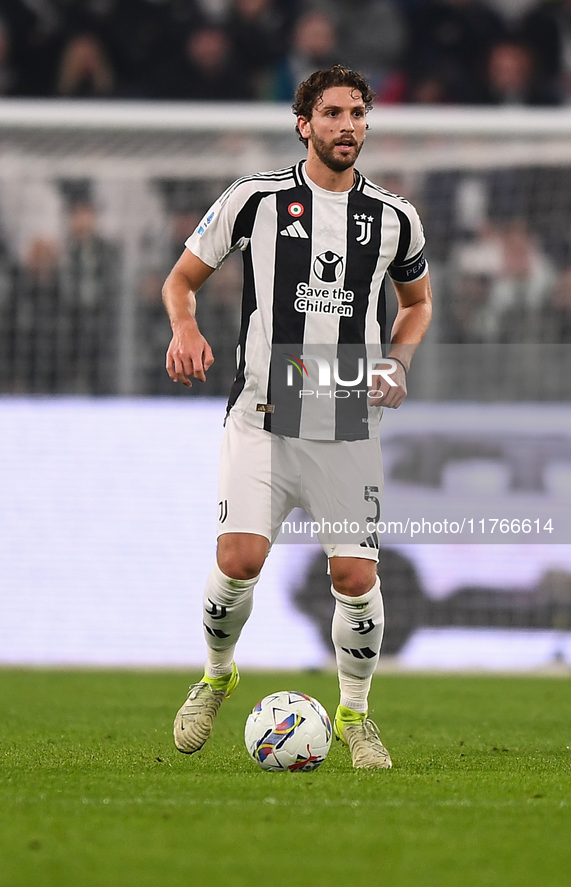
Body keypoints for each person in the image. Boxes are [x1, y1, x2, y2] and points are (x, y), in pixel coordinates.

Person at [162, 65, 432, 770]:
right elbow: (180, 280)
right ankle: (216, 676)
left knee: (352, 577)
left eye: (358, 113)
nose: (348, 126)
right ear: (303, 124)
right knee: (238, 560)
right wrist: (184, 328)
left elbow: (418, 302)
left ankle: (355, 715)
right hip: (260, 412)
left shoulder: (394, 216)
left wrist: (398, 361)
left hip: (343, 411)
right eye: (334, 113)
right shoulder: (254, 199)